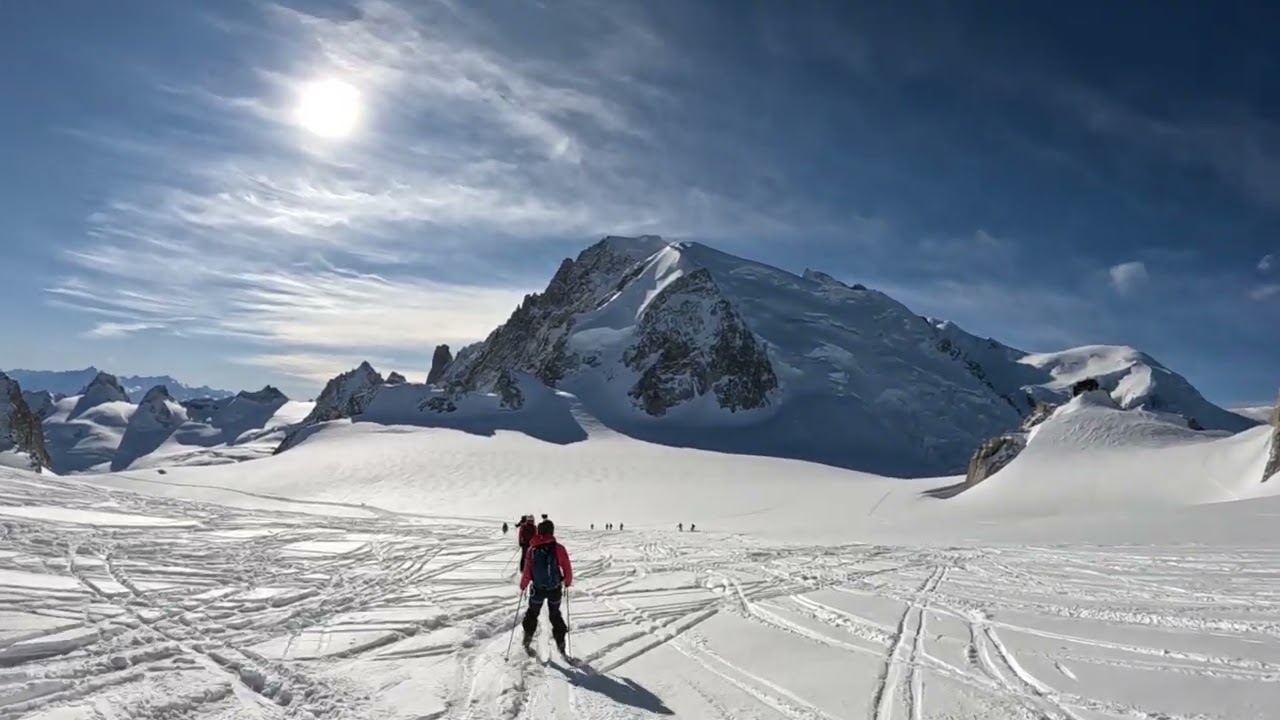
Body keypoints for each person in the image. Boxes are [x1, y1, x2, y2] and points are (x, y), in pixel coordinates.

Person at [520, 518, 573, 655]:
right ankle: (561, 646)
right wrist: (567, 581)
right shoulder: (558, 548)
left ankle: (527, 640)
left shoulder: (532, 549)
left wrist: (523, 585)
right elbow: (566, 566)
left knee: (532, 614)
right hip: (554, 589)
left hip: (537, 589)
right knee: (555, 615)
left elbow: (527, 571)